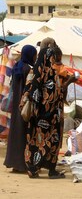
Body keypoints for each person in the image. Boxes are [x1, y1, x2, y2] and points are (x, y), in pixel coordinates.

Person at [23, 44, 78, 179]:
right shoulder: (51, 75)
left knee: (35, 142)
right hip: (50, 118)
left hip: (36, 117)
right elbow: (55, 95)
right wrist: (69, 82)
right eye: (53, 58)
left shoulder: (34, 72)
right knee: (51, 142)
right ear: (49, 58)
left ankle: (32, 168)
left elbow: (28, 92)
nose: (54, 61)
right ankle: (51, 171)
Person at [3, 45, 37, 173]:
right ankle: (22, 164)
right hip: (24, 106)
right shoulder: (28, 69)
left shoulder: (17, 66)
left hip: (16, 105)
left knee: (15, 134)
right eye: (34, 55)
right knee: (23, 134)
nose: (35, 57)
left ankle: (14, 163)